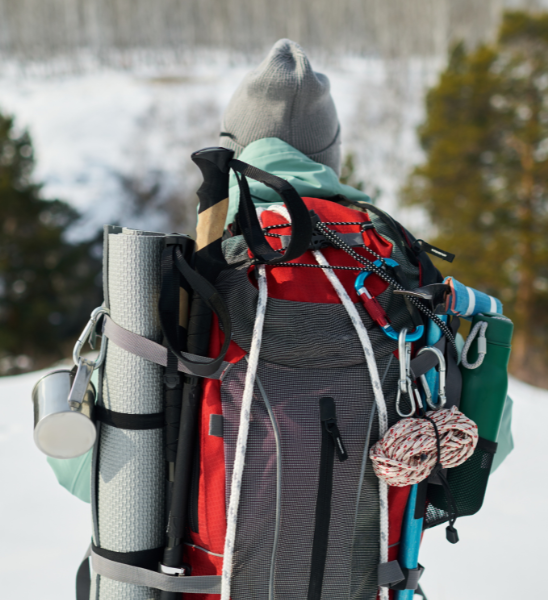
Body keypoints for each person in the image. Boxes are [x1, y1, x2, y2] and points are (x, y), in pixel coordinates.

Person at [47, 37, 512, 505]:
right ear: (331, 159)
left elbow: (88, 475)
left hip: (202, 572)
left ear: (233, 159)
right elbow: (486, 442)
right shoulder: (397, 265)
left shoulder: (192, 275)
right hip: (371, 572)